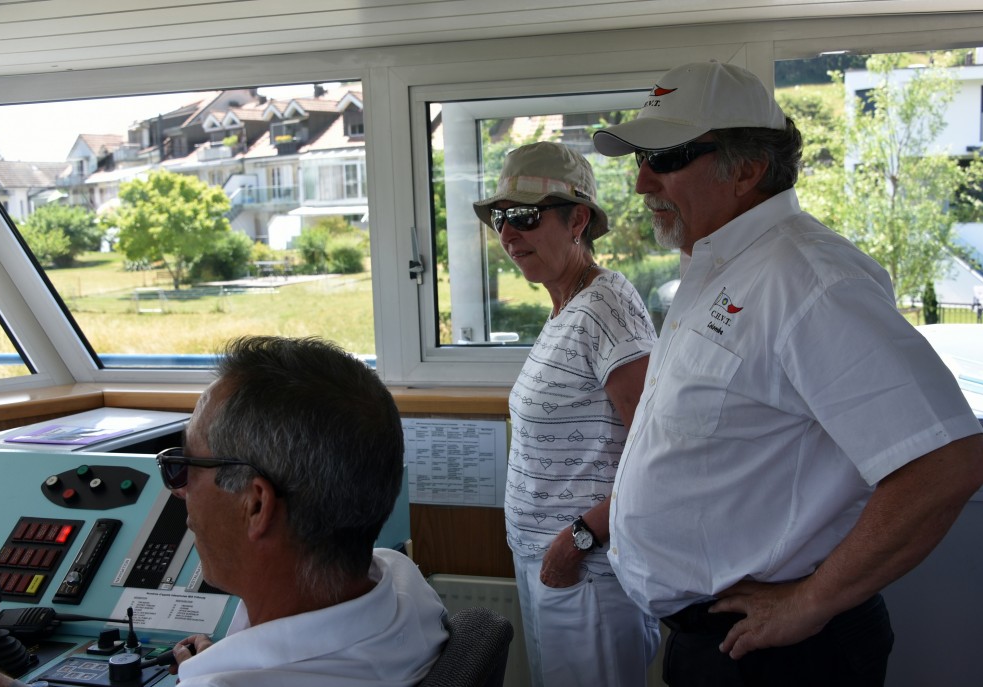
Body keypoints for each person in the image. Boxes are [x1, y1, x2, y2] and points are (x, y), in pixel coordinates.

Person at [593, 61, 983, 686]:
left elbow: (948, 462)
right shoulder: (720, 267)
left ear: (747, 168)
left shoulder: (809, 279)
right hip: (715, 641)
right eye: (642, 158)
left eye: (665, 157)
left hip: (784, 655)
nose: (642, 180)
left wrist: (811, 601)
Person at [472, 141, 660, 686]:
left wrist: (576, 540)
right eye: (501, 219)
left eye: (525, 216)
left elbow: (659, 455)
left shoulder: (606, 307)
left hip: (587, 572)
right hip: (552, 564)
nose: (509, 234)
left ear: (577, 220)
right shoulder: (567, 308)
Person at [160, 336, 447, 686]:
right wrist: (220, 662)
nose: (179, 489)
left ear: (256, 505)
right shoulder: (406, 584)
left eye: (187, 466)